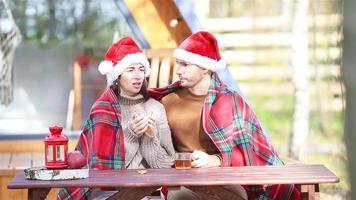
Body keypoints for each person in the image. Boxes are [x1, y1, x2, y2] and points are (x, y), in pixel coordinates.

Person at [149, 31, 301, 199]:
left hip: (223, 180)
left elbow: (249, 151)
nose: (178, 71)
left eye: (185, 65)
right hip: (181, 181)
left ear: (205, 68)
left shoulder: (231, 102)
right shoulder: (166, 101)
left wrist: (216, 160)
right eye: (178, 64)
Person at [57, 37, 175, 200]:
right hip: (109, 193)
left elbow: (165, 165)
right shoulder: (103, 109)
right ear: (117, 76)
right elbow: (107, 173)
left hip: (149, 192)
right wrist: (132, 134)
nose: (138, 76)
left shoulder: (156, 108)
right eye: (130, 69)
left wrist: (149, 136)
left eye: (141, 69)